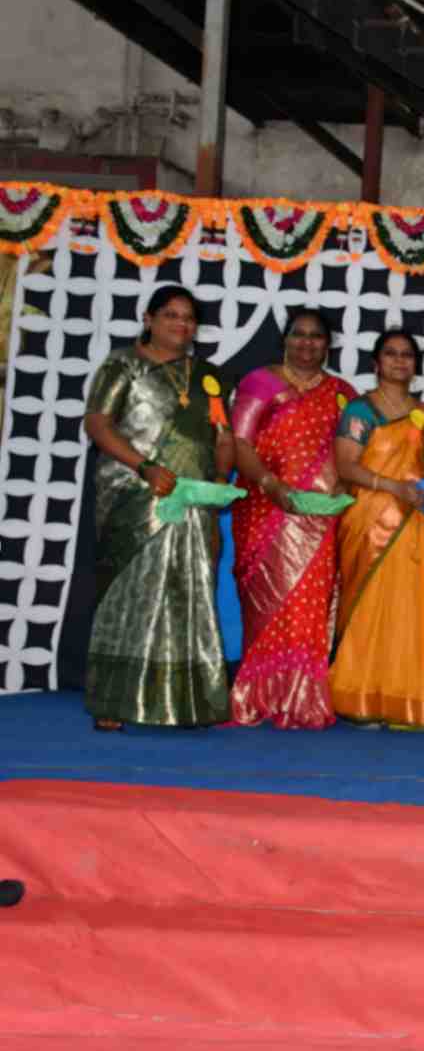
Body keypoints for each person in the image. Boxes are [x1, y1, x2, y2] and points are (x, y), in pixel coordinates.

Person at [82, 285, 235, 729]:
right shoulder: (123, 364)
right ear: (148, 319)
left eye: (189, 318)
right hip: (136, 493)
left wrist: (218, 483)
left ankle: (187, 704)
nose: (181, 324)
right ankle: (114, 703)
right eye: (171, 315)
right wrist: (145, 467)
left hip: (194, 500)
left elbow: (223, 436)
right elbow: (98, 424)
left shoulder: (208, 376)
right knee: (132, 594)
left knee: (190, 593)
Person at [228, 308, 355, 730]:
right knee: (266, 605)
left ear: (328, 344)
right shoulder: (259, 383)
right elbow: (240, 443)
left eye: (316, 336)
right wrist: (271, 485)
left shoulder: (342, 393)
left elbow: (354, 453)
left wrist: (344, 487)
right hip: (266, 509)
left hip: (319, 519)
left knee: (308, 609)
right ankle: (258, 696)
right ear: (285, 339)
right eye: (299, 334)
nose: (307, 343)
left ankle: (301, 697)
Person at [327, 330, 424, 728]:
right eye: (391, 353)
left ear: (416, 364)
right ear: (376, 362)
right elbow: (346, 466)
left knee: (406, 608)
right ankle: (356, 696)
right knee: (366, 605)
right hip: (368, 518)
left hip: (412, 520)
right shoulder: (361, 410)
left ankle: (400, 697)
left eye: (407, 354)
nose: (399, 361)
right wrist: (393, 487)